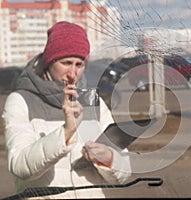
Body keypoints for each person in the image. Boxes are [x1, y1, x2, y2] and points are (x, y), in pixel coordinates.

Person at [2, 21, 131, 199]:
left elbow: (125, 172)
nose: (73, 73)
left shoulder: (92, 100)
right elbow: (20, 167)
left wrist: (108, 158)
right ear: (49, 61)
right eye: (66, 62)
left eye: (79, 64)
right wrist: (66, 132)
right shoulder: (21, 100)